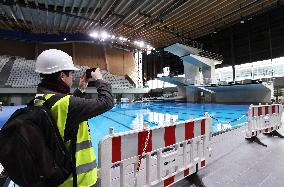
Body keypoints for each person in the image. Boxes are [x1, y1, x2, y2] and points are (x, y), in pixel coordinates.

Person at [34, 49, 114, 186]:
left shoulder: (40, 99)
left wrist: (81, 89)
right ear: (62, 76)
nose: (73, 77)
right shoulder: (66, 104)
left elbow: (66, 115)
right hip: (79, 181)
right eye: (71, 73)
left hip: (58, 178)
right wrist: (99, 80)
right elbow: (107, 102)